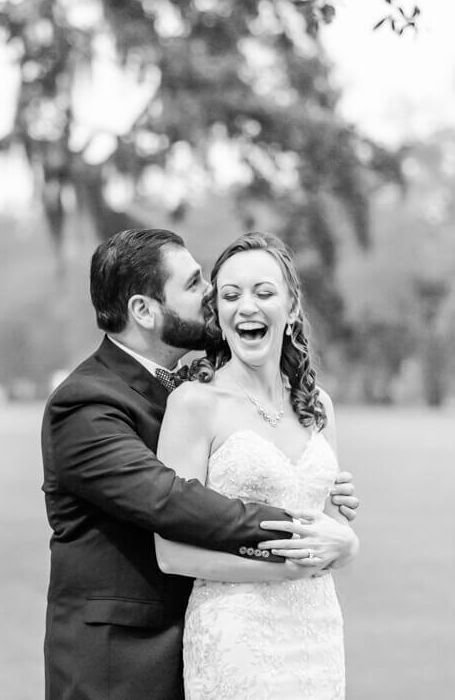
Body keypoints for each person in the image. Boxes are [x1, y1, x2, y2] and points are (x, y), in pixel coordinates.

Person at [41, 228, 360, 700]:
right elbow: (172, 500)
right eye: (196, 285)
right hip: (120, 662)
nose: (213, 297)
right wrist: (303, 535)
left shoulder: (189, 386)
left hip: (279, 637)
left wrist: (323, 499)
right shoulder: (87, 404)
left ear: (292, 306)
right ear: (144, 311)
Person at [155, 231, 359, 699]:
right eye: (230, 295)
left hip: (316, 631)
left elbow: (324, 532)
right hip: (235, 638)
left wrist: (343, 532)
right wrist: (282, 570)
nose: (247, 306)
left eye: (264, 293)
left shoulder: (318, 406)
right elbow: (171, 553)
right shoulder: (194, 405)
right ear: (220, 316)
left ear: (290, 310)